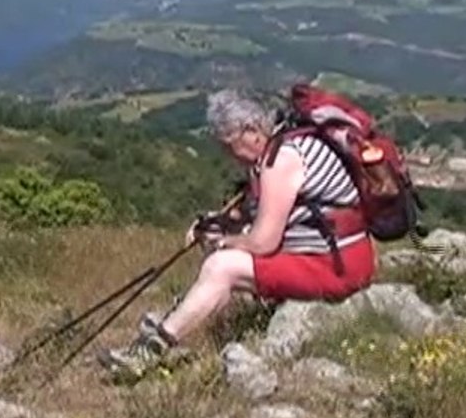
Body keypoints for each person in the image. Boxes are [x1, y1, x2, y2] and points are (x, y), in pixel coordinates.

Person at [98, 88, 378, 381]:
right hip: (339, 255)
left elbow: (263, 242)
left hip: (335, 267)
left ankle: (148, 354)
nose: (229, 155)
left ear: (251, 130)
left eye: (230, 145)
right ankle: (174, 322)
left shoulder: (282, 160)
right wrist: (219, 226)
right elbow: (259, 213)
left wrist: (221, 242)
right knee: (225, 259)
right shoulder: (285, 145)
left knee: (222, 267)